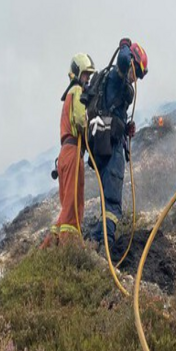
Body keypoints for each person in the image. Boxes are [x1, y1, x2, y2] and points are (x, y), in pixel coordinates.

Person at [88, 38, 148, 248]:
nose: (134, 79)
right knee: (113, 202)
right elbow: (123, 58)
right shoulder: (117, 73)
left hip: (104, 142)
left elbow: (115, 115)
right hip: (110, 148)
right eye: (136, 72)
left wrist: (125, 127)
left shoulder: (116, 83)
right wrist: (127, 47)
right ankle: (104, 243)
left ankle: (95, 239)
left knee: (108, 198)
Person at [41, 53, 96, 248]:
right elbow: (81, 121)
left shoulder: (68, 97)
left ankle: (50, 248)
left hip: (64, 154)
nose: (87, 79)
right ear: (78, 73)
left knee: (67, 204)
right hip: (74, 152)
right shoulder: (77, 92)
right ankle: (67, 248)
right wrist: (92, 128)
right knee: (73, 205)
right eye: (86, 75)